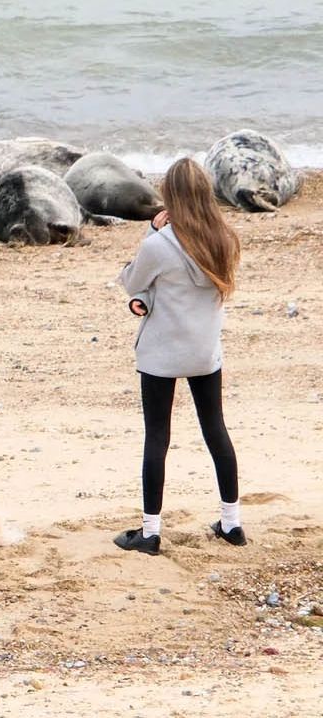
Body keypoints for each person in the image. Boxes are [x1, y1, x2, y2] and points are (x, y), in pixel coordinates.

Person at [115, 158, 245, 555]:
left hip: (162, 353)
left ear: (169, 196)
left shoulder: (159, 243)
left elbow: (131, 280)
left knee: (158, 436)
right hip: (205, 352)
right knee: (216, 431)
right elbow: (188, 291)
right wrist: (147, 299)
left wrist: (151, 233)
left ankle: (151, 533)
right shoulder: (224, 238)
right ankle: (231, 523)